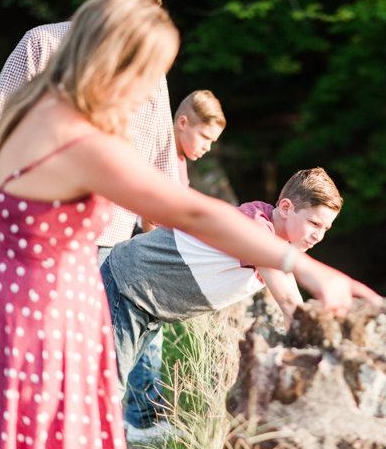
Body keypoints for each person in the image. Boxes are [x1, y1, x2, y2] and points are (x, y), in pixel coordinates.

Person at [0, 0, 379, 449]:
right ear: (108, 59)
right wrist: (308, 267)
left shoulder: (25, 118)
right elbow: (193, 212)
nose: (149, 94)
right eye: (146, 73)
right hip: (41, 317)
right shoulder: (80, 140)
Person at [105, 167, 340, 435]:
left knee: (111, 382)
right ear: (285, 208)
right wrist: (317, 359)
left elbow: (295, 304)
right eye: (313, 223)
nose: (319, 235)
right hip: (126, 285)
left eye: (326, 227)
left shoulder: (276, 243)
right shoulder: (256, 231)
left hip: (147, 302)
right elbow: (289, 303)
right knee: (106, 384)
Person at [0, 0, 179, 262]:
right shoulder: (41, 44)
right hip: (30, 228)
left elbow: (162, 164)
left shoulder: (153, 73)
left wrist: (149, 252)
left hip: (113, 242)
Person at [123, 89, 226, 441]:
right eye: (206, 137)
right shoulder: (161, 153)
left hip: (147, 260)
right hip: (139, 258)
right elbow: (150, 213)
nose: (208, 147)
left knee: (150, 338)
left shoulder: (179, 162)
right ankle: (140, 420)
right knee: (144, 339)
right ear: (182, 123)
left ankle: (142, 414)